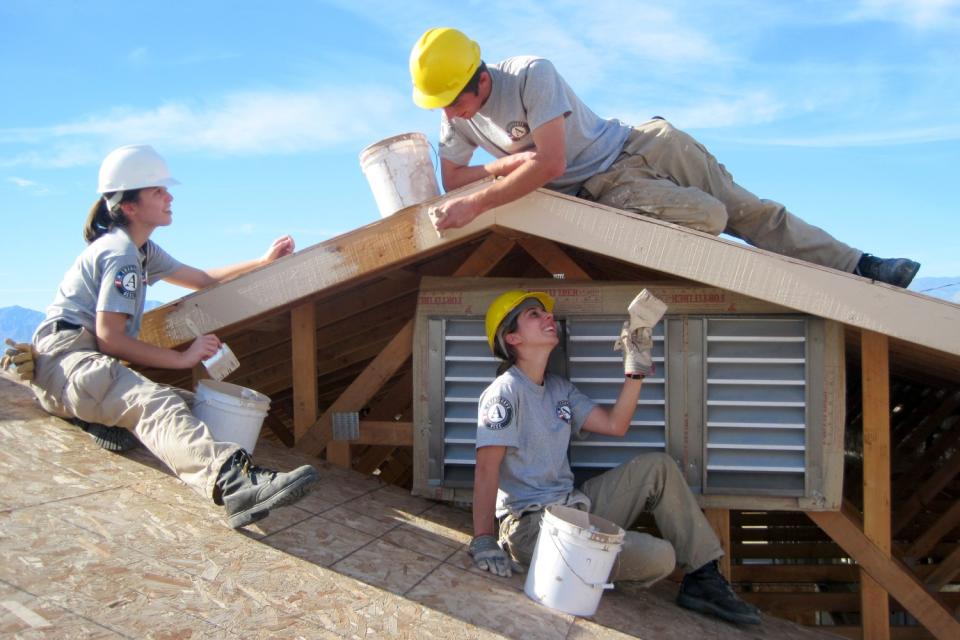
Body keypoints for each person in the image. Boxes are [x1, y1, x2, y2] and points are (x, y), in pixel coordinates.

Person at [409, 27, 920, 289]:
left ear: (482, 78)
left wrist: (481, 199)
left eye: (455, 100)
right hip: (607, 185)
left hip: (645, 140)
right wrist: (500, 167)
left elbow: (550, 164)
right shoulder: (455, 116)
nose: (450, 114)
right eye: (442, 106)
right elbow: (453, 178)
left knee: (752, 211)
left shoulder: (530, 75)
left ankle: (863, 266)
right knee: (712, 218)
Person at [27, 144, 319, 529]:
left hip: (75, 368)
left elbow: (201, 278)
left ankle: (99, 419)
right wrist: (184, 359)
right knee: (157, 403)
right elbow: (110, 338)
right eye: (158, 192)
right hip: (66, 365)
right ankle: (235, 485)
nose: (169, 197)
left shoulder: (141, 250)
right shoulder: (122, 255)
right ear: (130, 206)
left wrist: (261, 262)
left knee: (186, 403)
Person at [468, 288, 761, 625]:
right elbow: (486, 469)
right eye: (534, 314)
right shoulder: (504, 392)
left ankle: (704, 578)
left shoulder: (559, 389)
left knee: (659, 468)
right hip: (534, 528)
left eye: (546, 313)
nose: (549, 317)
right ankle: (580, 565)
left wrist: (635, 365)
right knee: (661, 558)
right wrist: (484, 539)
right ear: (512, 338)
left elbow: (615, 425)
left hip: (573, 506)